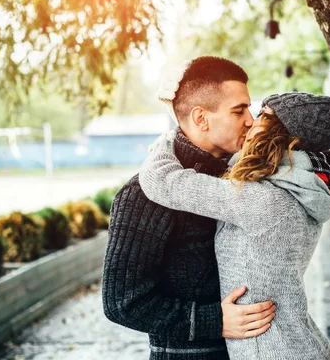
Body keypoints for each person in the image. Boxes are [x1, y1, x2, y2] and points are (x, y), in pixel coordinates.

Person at [139, 91, 330, 360]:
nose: (251, 122)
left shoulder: (262, 200)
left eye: (262, 115)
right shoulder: (302, 189)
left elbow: (162, 181)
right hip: (292, 347)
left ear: (279, 132)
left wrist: (169, 138)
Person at [102, 56, 276, 360]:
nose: (250, 119)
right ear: (201, 118)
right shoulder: (143, 194)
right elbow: (122, 303)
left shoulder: (242, 179)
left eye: (250, 107)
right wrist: (213, 321)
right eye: (239, 110)